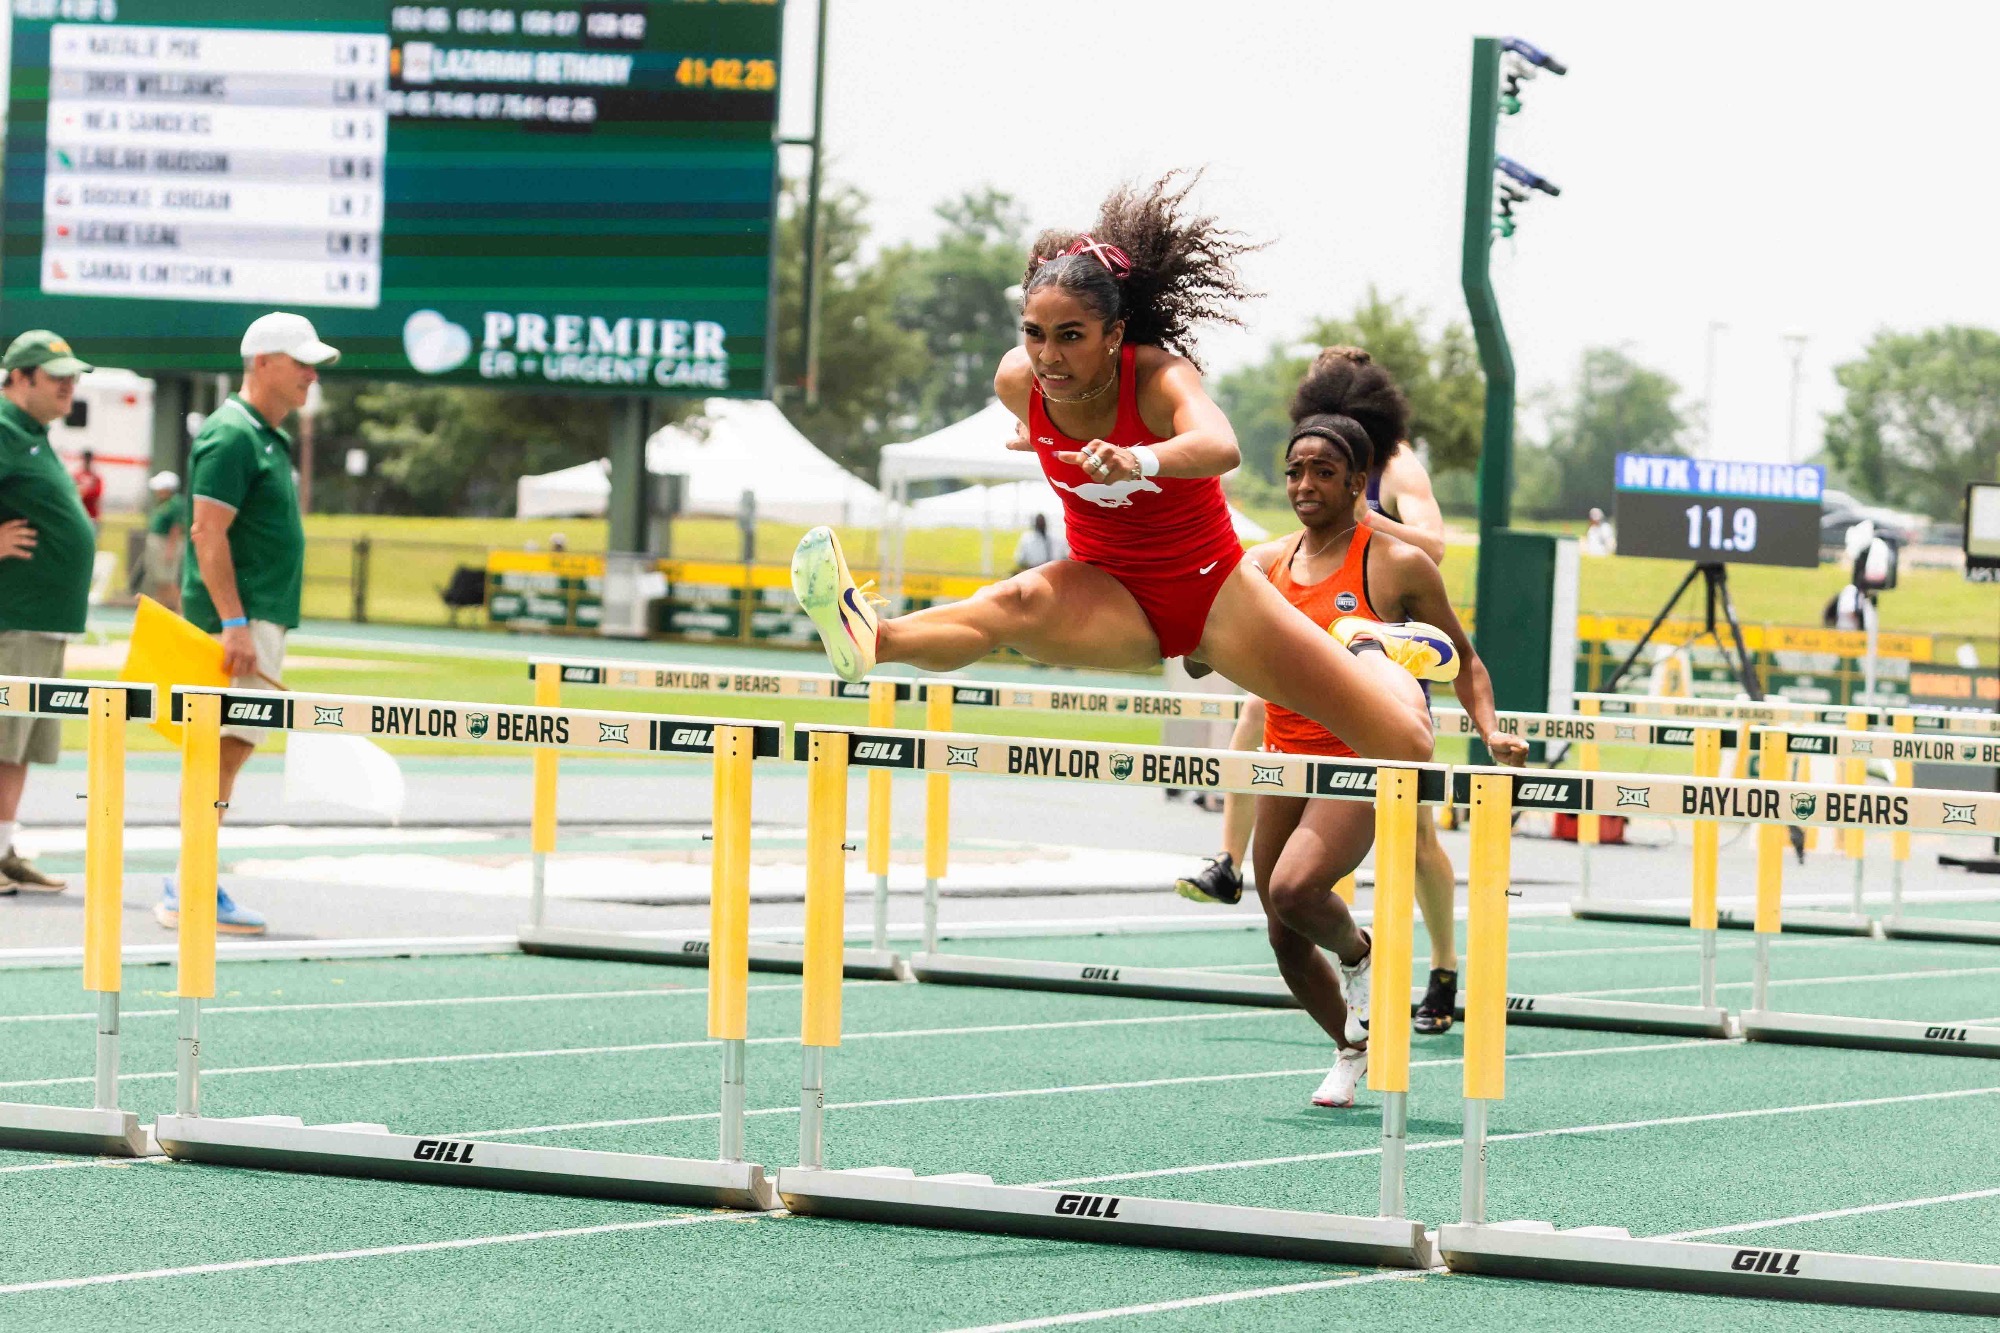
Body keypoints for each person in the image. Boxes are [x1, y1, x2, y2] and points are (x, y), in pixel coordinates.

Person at [789, 175, 1435, 763]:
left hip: (1213, 596)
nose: (1048, 356)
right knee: (1009, 602)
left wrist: (1138, 459)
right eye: (1033, 333)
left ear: (1115, 334)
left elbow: (1221, 445)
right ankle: (871, 634)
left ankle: (1374, 652)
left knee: (1403, 743)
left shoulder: (1159, 379)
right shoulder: (1021, 383)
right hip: (1111, 590)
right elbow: (1045, 401)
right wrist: (1035, 430)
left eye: (1071, 335)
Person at [1177, 348, 1481, 1037]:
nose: (1305, 478)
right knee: (1260, 701)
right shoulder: (1295, 506)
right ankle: (1229, 856)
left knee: (1421, 838)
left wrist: (1357, 522)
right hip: (1305, 688)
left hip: (1381, 692)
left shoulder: (1395, 466)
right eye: (1298, 471)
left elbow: (1431, 546)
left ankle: (1441, 963)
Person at [1237, 412, 1524, 1106]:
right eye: (1295, 471)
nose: (1305, 484)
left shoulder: (1394, 562)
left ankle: (1362, 954)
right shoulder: (1266, 563)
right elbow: (1208, 651)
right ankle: (1353, 1042)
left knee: (1295, 888)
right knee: (1282, 933)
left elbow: (1466, 660)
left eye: (1323, 472)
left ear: (1357, 482)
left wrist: (1490, 729)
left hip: (1361, 757)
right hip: (1287, 751)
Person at [157, 312, 339, 937]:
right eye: (300, 362)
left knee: (227, 755)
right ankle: (190, 883)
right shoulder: (232, 434)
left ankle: (192, 878)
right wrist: (233, 621)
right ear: (262, 363)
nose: (311, 374)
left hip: (255, 619)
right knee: (220, 755)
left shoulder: (264, 436)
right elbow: (207, 532)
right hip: (234, 624)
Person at [0, 331, 97, 895]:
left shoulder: (32, 435)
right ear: (19, 378)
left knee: (19, 750)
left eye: (73, 374)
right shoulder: (5, 428)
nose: (70, 384)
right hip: (14, 616)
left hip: (43, 620)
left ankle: (4, 849)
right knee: (2, 741)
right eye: (55, 373)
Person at [141, 470, 184, 609]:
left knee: (168, 581)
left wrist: (170, 550)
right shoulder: (162, 503)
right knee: (160, 581)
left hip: (165, 545)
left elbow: (176, 528)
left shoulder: (175, 503)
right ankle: (161, 608)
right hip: (157, 544)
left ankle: (179, 610)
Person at [70, 448, 103, 533]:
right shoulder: (77, 476)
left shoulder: (96, 477)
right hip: (79, 515)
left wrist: (83, 491)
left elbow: (97, 493)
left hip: (92, 516)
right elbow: (72, 493)